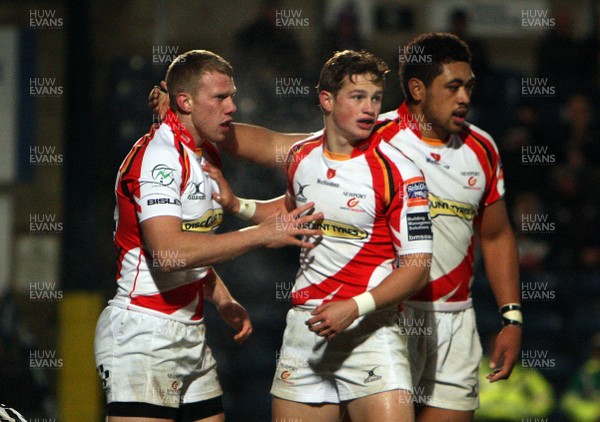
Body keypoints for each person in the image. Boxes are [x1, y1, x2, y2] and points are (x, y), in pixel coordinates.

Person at [148, 33, 521, 421]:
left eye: (469, 87)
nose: (464, 97)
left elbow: (495, 235)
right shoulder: (372, 135)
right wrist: (187, 116)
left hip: (443, 317)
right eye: (454, 87)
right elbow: (284, 165)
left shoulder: (481, 149)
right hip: (388, 311)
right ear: (417, 89)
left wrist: (511, 317)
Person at [96, 49, 323, 422]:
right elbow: (169, 252)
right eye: (220, 97)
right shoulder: (159, 158)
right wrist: (259, 235)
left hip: (189, 328)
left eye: (232, 95)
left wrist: (221, 298)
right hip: (143, 333)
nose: (232, 106)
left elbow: (192, 243)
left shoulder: (206, 155)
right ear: (185, 101)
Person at [206, 49, 432, 422]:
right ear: (326, 100)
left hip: (371, 329)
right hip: (307, 328)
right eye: (357, 97)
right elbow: (294, 212)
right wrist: (238, 206)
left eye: (375, 98)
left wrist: (354, 307)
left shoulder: (400, 171)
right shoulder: (301, 156)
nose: (370, 109)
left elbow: (418, 267)